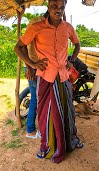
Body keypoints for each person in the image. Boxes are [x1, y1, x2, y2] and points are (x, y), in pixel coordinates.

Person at [14, 0, 83, 163]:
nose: (58, 10)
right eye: (54, 7)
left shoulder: (68, 27)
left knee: (67, 112)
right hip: (46, 77)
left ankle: (67, 143)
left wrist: (72, 60)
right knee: (46, 114)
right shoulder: (37, 27)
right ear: (48, 7)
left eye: (61, 8)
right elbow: (19, 47)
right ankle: (50, 146)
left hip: (64, 77)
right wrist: (32, 64)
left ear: (64, 8)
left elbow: (77, 44)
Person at [24, 11, 49, 139]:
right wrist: (29, 67)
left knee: (39, 98)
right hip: (33, 67)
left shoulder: (50, 24)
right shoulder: (36, 23)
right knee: (36, 99)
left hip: (40, 68)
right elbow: (24, 46)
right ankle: (30, 130)